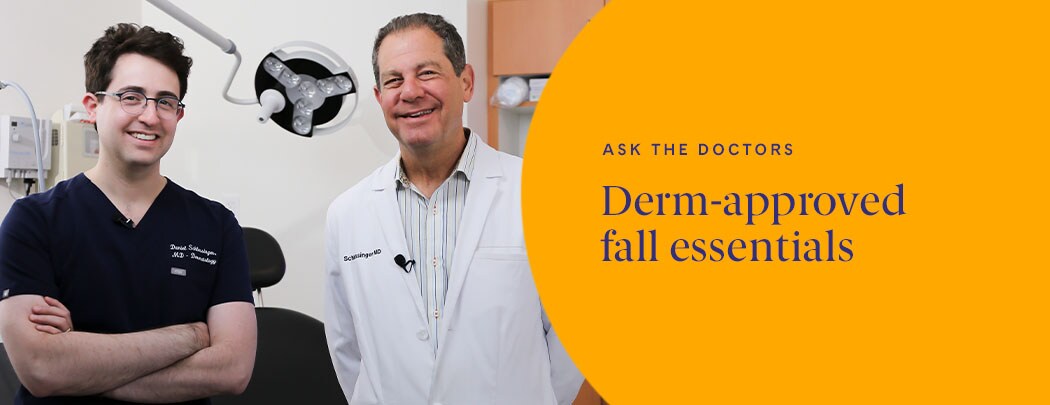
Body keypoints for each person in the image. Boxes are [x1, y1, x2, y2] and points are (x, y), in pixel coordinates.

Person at [324, 13, 584, 404]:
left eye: (427, 73)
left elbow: (570, 338)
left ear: (466, 82)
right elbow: (347, 350)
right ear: (379, 98)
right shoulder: (347, 214)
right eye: (393, 80)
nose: (410, 92)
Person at [0, 23, 256, 404]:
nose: (150, 116)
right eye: (131, 97)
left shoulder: (216, 226)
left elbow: (232, 369)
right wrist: (191, 336)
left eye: (165, 101)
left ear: (178, 115)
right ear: (93, 107)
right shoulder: (33, 221)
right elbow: (41, 368)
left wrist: (79, 364)